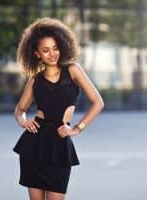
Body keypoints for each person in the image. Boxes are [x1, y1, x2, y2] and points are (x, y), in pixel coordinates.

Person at [13, 17, 104, 200]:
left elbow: (98, 103)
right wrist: (23, 121)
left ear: (62, 46)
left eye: (55, 48)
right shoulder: (35, 79)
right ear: (37, 53)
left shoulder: (73, 70)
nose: (52, 54)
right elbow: (20, 108)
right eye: (45, 50)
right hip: (34, 144)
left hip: (60, 144)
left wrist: (77, 128)